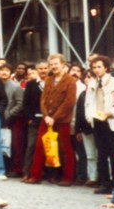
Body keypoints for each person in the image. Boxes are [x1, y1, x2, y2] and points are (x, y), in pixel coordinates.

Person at [26, 54, 77, 186]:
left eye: (56, 64)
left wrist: (54, 117)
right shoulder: (49, 80)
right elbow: (43, 100)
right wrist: (46, 115)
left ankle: (67, 178)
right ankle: (35, 175)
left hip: (63, 120)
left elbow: (69, 103)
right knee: (40, 146)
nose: (53, 66)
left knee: (65, 148)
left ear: (63, 64)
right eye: (52, 64)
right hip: (47, 119)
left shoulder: (70, 81)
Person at [85, 55, 114, 194]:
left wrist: (110, 113)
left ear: (106, 68)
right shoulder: (92, 83)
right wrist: (89, 116)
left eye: (99, 67)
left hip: (112, 122)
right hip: (97, 122)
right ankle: (105, 183)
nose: (96, 70)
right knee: (101, 154)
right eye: (94, 67)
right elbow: (88, 103)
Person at [21, 61, 49, 181]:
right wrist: (30, 118)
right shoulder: (31, 84)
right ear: (37, 70)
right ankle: (28, 173)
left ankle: (50, 174)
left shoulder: (53, 82)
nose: (43, 71)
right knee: (31, 146)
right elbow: (25, 103)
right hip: (35, 120)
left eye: (45, 68)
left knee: (49, 146)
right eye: (40, 68)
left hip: (49, 119)